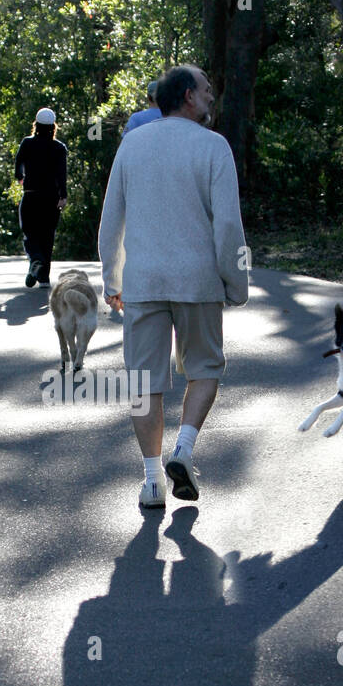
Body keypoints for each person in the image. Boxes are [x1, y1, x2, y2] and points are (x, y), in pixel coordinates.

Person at [98, 64, 249, 509]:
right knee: (204, 369)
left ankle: (150, 480)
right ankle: (183, 449)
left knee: (145, 381)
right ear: (187, 96)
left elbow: (112, 222)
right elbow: (227, 226)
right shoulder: (214, 147)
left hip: (143, 282)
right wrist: (235, 283)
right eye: (205, 91)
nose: (210, 98)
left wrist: (113, 278)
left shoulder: (131, 145)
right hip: (197, 280)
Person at [13, 107, 68, 288]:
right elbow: (62, 174)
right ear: (53, 127)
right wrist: (63, 195)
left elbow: (18, 162)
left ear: (36, 125)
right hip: (51, 198)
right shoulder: (59, 148)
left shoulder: (27, 143)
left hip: (31, 195)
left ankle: (35, 259)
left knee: (29, 232)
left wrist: (20, 177)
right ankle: (44, 277)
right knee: (47, 236)